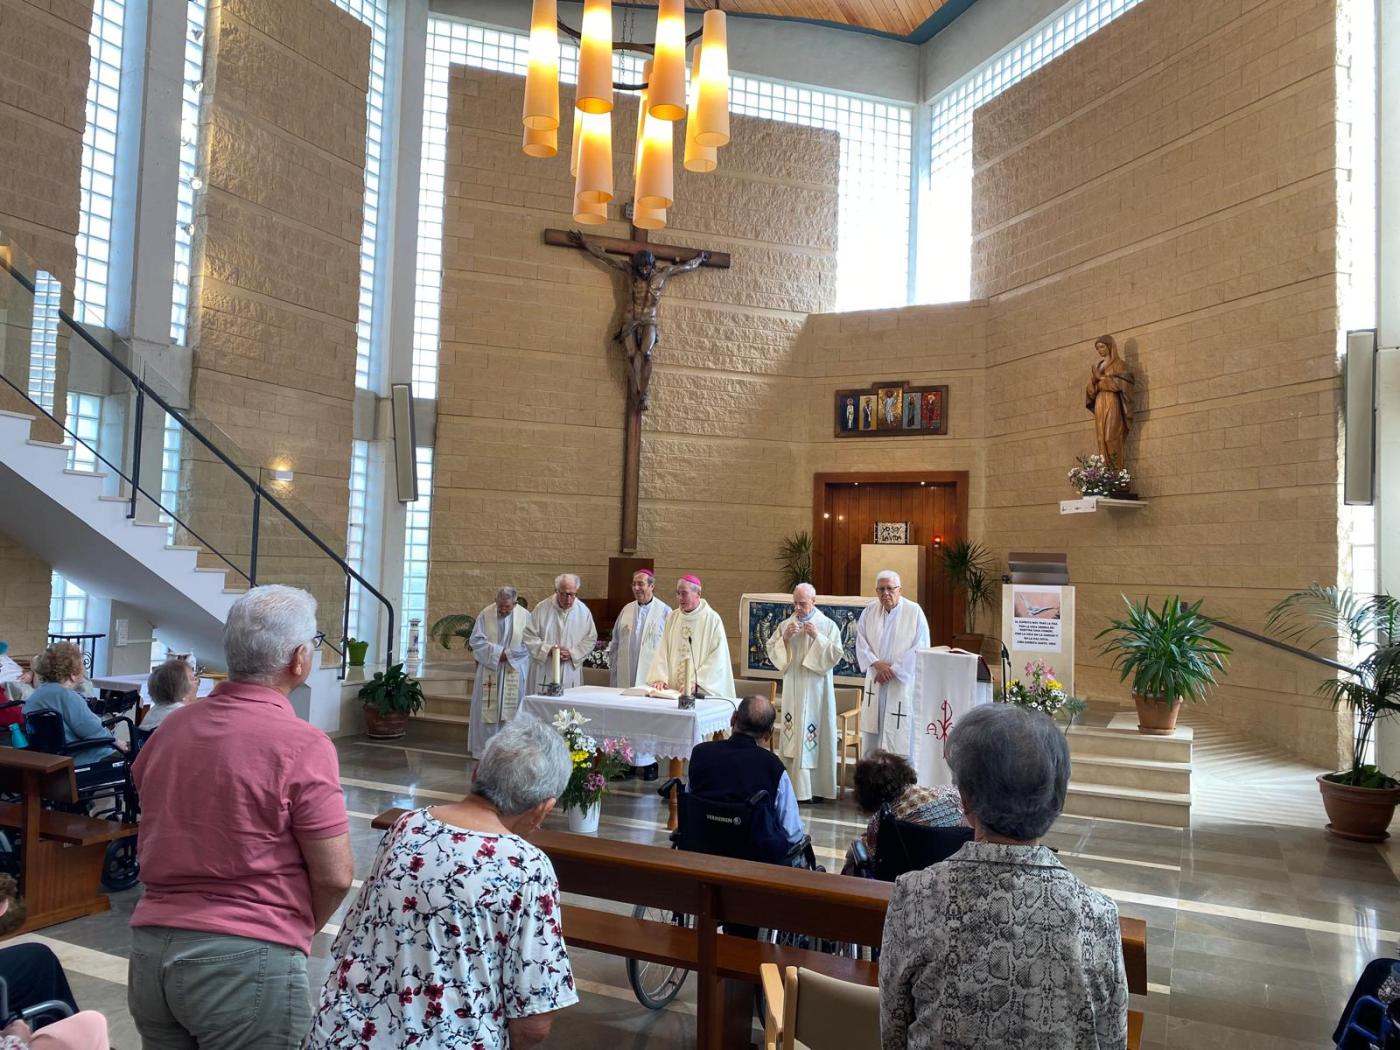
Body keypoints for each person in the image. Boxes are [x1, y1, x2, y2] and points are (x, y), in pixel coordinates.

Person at [128, 585, 354, 1050]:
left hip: (152, 951)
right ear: (298, 659)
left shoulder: (171, 729)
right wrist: (291, 929)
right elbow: (334, 875)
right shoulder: (301, 743)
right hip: (244, 957)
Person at [307, 717, 577, 1049]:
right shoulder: (527, 866)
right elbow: (534, 1019)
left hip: (342, 1036)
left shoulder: (407, 825)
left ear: (477, 773)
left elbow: (349, 938)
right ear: (543, 808)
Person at [879, 705, 1127, 1050]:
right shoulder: (1097, 915)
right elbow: (1112, 1041)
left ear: (965, 800)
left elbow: (893, 1035)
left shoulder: (915, 896)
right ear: (1056, 802)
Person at [686, 696, 806, 860]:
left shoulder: (700, 753)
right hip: (755, 865)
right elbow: (792, 832)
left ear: (733, 718)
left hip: (700, 854)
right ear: (769, 734)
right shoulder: (772, 766)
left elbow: (690, 804)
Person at [765, 584, 842, 803]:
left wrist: (818, 637)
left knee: (813, 733)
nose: (798, 608)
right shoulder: (785, 625)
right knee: (792, 734)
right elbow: (772, 650)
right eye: (795, 603)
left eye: (803, 603)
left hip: (817, 689)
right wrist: (785, 639)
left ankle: (816, 789)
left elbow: (836, 654)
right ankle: (793, 788)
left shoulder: (827, 625)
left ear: (814, 601)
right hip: (792, 687)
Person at [842, 750, 964, 875]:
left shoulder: (883, 822)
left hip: (904, 878)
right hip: (953, 870)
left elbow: (874, 857)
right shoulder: (949, 795)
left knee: (855, 853)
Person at [855, 570, 930, 762]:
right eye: (881, 589)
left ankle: (901, 780)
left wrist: (893, 670)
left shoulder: (914, 612)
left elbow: (921, 646)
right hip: (876, 679)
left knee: (900, 732)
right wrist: (876, 664)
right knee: (874, 732)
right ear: (876, 591)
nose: (885, 593)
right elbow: (861, 641)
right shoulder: (869, 611)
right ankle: (872, 779)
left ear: (900, 590)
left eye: (890, 588)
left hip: (900, 682)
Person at [608, 569, 671, 779]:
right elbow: (616, 641)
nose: (636, 588)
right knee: (625, 718)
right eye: (634, 584)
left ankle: (649, 764)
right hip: (626, 675)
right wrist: (614, 670)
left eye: (641, 584)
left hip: (650, 678)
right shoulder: (626, 609)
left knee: (647, 720)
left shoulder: (665, 611)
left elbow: (669, 647)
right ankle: (625, 763)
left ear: (652, 586)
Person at [22, 643, 123, 764]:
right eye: (82, 666)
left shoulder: (35, 696)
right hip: (84, 759)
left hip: (51, 761)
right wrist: (116, 741)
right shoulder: (67, 697)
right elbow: (95, 732)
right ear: (73, 675)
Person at [467, 586, 531, 757]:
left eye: (507, 607)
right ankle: (484, 751)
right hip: (490, 668)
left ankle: (510, 751)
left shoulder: (525, 616)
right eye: (500, 606)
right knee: (487, 711)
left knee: (512, 711)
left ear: (515, 603)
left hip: (513, 669)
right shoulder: (486, 614)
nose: (502, 610)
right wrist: (497, 653)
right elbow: (476, 640)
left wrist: (508, 654)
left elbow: (530, 642)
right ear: (496, 601)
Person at [647, 575, 735, 698]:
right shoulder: (672, 617)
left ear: (698, 593)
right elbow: (663, 649)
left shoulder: (712, 619)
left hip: (699, 693)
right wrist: (660, 677)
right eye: (678, 593)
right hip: (671, 693)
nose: (679, 598)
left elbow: (718, 658)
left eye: (684, 593)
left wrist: (697, 682)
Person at [523, 574, 598, 695]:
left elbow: (590, 638)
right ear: (556, 591)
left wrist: (572, 653)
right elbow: (529, 635)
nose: (568, 599)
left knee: (569, 709)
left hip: (570, 668)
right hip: (546, 667)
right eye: (564, 594)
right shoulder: (542, 608)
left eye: (572, 594)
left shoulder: (583, 611)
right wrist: (548, 650)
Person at [1084, 333, 1134, 469]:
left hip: (1112, 401)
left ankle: (1116, 473)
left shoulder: (1119, 364)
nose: (1100, 350)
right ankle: (1105, 472)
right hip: (1100, 401)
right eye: (1098, 348)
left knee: (1111, 436)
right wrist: (1094, 381)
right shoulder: (1098, 366)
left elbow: (1122, 383)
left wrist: (1101, 380)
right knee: (1101, 438)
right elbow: (1090, 390)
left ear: (1110, 346)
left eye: (1102, 347)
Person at [137, 658, 198, 733]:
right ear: (180, 689)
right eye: (192, 679)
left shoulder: (154, 711)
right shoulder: (183, 715)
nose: (196, 683)